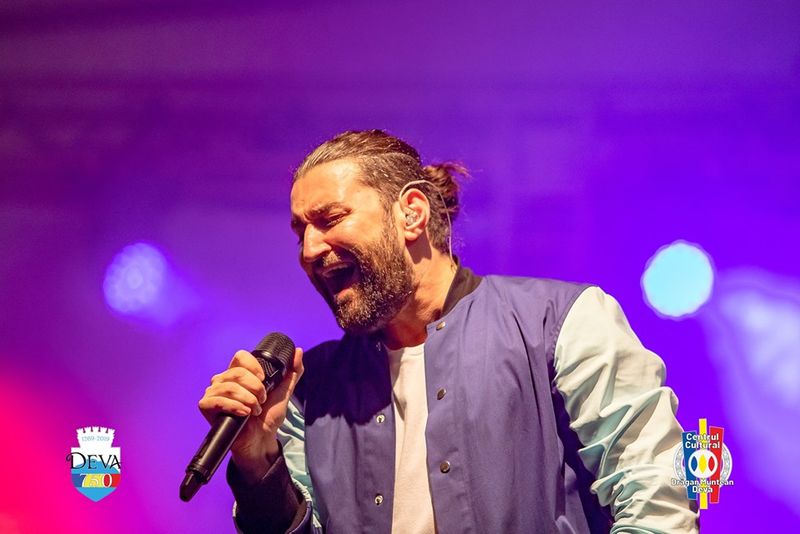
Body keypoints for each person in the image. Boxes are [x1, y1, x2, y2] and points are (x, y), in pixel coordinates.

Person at [198, 130, 699, 533]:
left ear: (411, 214)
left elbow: (660, 494)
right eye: (299, 232)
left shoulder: (561, 321)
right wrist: (256, 460)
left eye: (329, 219)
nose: (309, 249)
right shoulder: (308, 390)